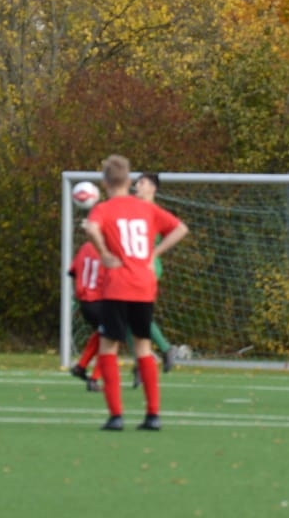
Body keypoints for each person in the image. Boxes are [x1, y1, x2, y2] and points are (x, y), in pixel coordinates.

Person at [84, 154, 189, 431]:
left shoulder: (104, 209)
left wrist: (104, 253)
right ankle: (153, 415)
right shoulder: (146, 208)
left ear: (105, 182)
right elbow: (181, 228)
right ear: (129, 180)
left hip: (117, 284)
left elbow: (91, 228)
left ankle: (116, 416)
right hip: (144, 285)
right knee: (143, 347)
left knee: (109, 347)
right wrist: (154, 253)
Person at [128, 171, 176, 386]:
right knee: (128, 318)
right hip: (132, 267)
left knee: (134, 314)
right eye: (137, 182)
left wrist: (155, 253)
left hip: (146, 268)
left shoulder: (155, 212)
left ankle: (162, 351)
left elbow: (177, 231)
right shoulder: (132, 209)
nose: (137, 185)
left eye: (142, 182)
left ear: (153, 188)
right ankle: (145, 359)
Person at [68, 234, 105, 392]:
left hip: (85, 302)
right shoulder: (108, 248)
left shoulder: (86, 247)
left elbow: (73, 271)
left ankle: (81, 366)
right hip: (100, 301)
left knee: (102, 334)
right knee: (111, 340)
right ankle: (94, 379)